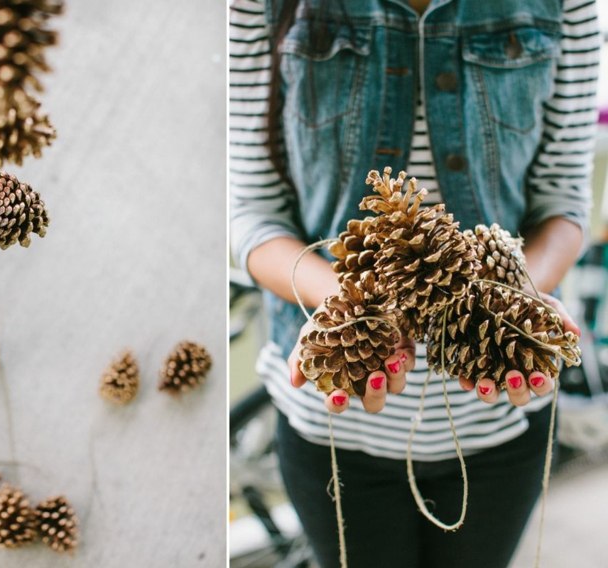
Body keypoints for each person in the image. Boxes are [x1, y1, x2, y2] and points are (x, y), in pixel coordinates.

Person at [229, 0, 601, 566]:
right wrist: (348, 307)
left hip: (500, 429)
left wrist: (509, 302)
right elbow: (252, 213)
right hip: (331, 433)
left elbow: (563, 199)